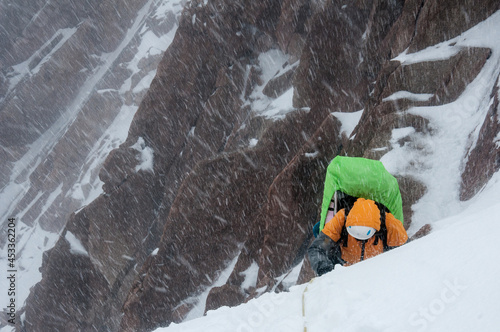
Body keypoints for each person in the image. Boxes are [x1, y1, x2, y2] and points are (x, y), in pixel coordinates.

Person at [308, 197, 408, 276]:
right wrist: (325, 269)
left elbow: (408, 251)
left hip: (379, 273)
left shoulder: (390, 224)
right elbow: (317, 248)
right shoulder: (341, 219)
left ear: (376, 229)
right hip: (343, 270)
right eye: (355, 235)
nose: (359, 239)